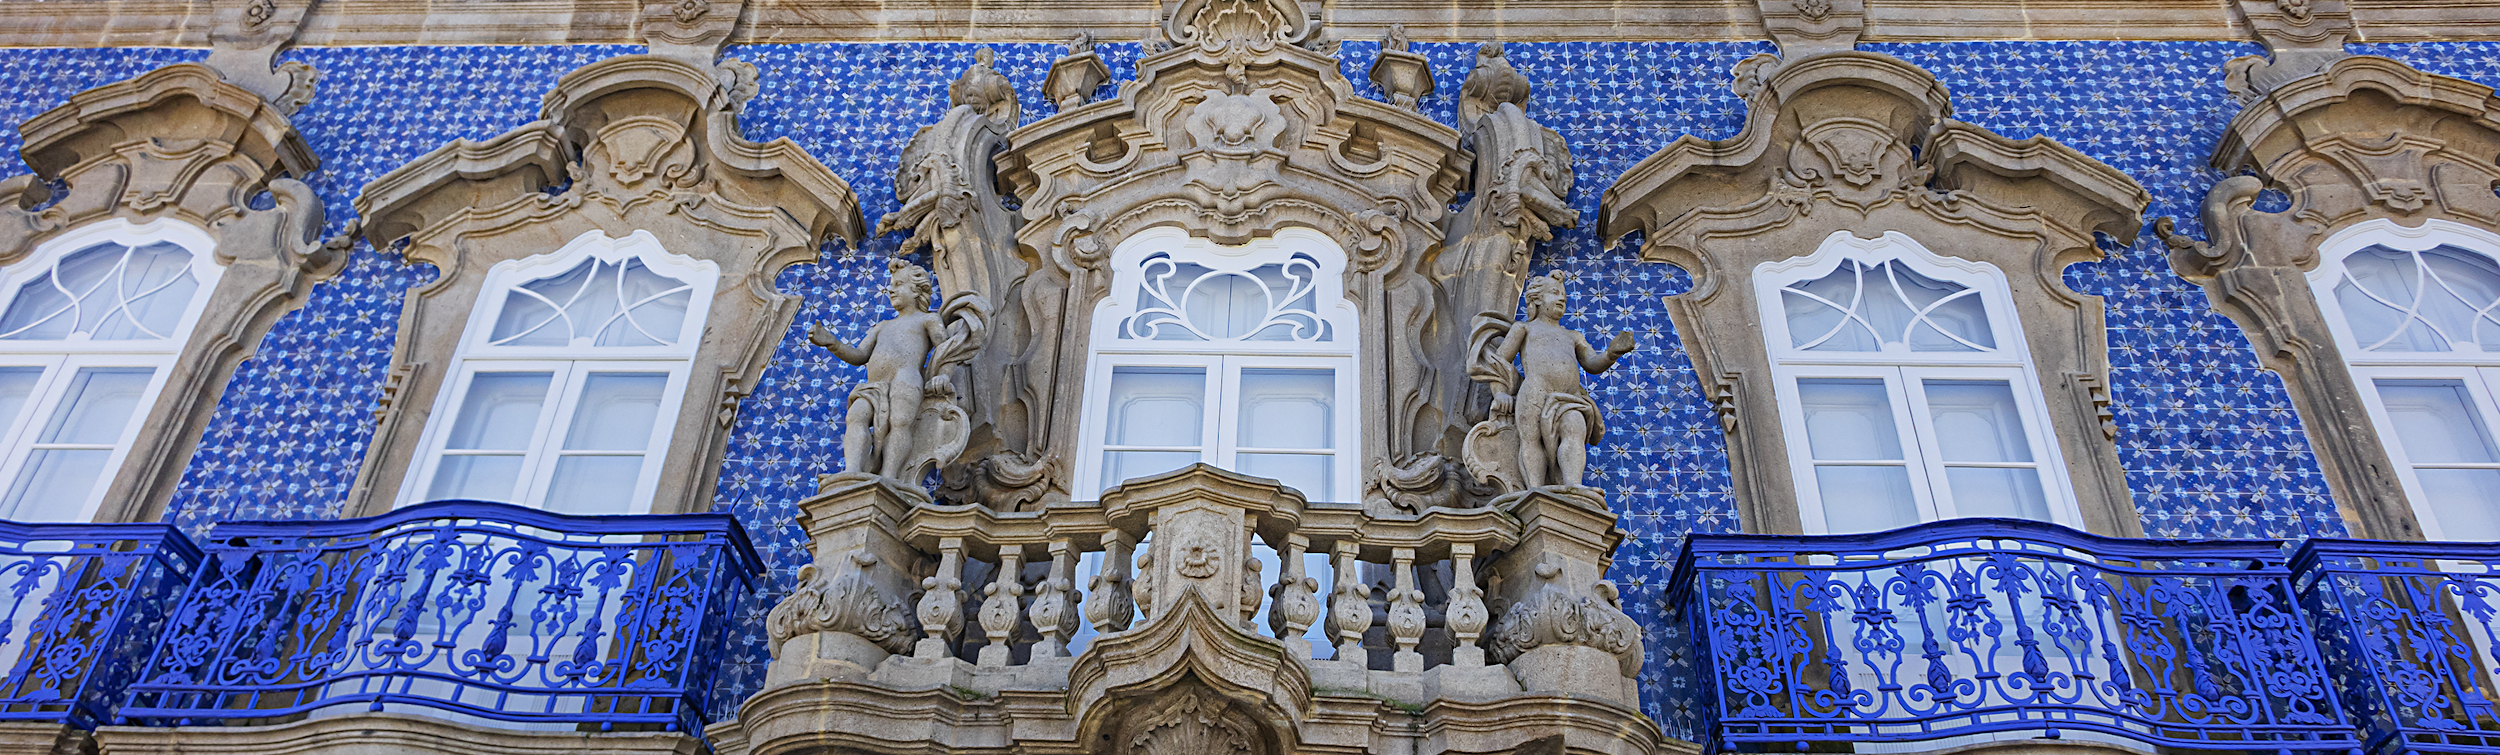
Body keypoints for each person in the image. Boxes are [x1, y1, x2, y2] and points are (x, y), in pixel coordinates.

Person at [1488, 271, 1635, 490]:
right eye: (1554, 293)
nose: (1561, 299)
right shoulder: (1524, 328)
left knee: (1575, 429)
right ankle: (1535, 490)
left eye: (1564, 296)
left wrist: (1611, 354)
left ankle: (1573, 485)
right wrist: (1500, 392)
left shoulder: (1573, 335)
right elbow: (1499, 363)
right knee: (1531, 439)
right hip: (1535, 390)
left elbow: (1592, 363)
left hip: (1570, 396)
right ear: (1537, 299)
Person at [811, 259, 951, 480]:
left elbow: (945, 348)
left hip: (906, 378)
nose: (891, 289)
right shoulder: (882, 326)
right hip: (873, 386)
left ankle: (889, 477)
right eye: (891, 284)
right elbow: (860, 355)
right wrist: (833, 343)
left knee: (900, 423)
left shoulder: (928, 319)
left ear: (916, 291)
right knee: (856, 416)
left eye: (899, 284)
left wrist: (943, 375)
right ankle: (852, 471)